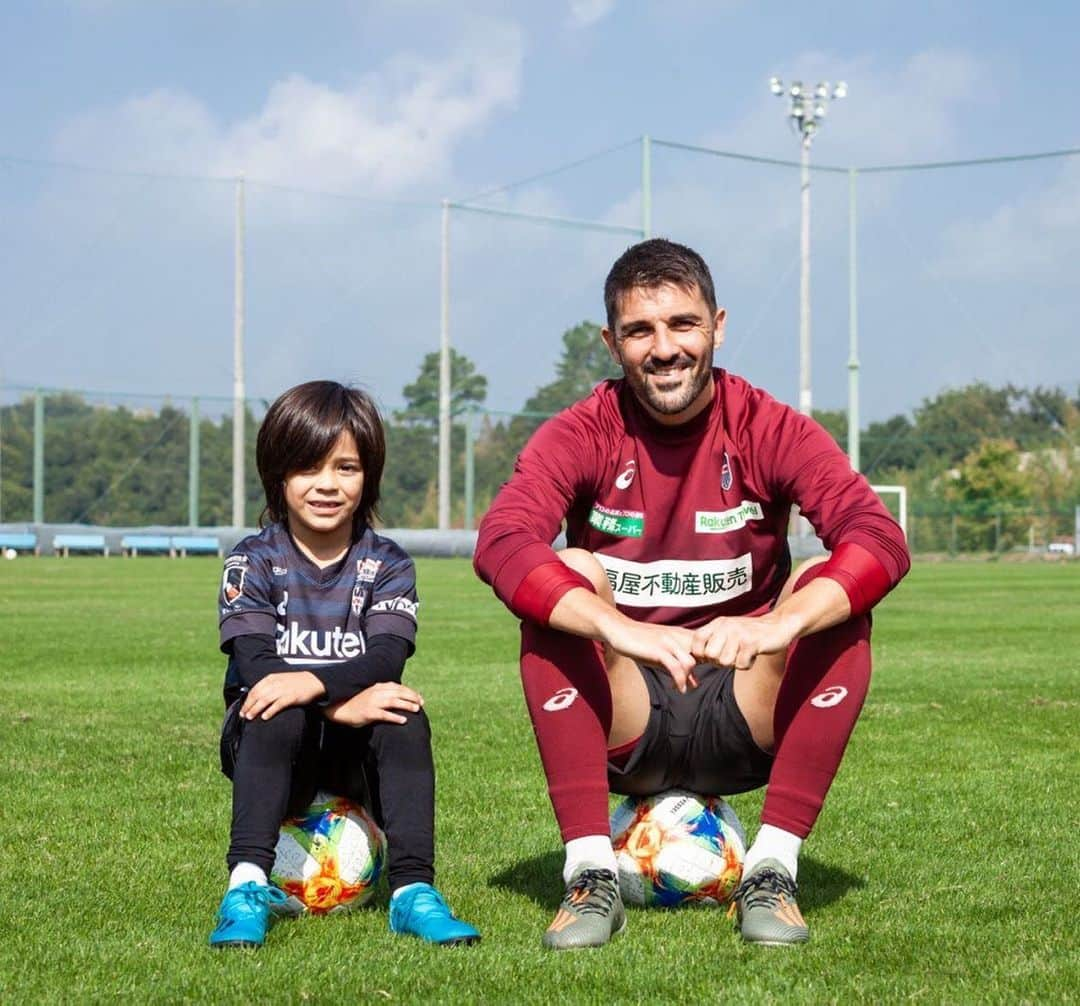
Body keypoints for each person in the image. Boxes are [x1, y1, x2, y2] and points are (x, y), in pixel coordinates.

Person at [474, 238, 910, 950]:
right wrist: (618, 629)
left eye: (683, 324)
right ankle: (590, 875)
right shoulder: (583, 431)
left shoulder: (767, 427)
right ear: (611, 343)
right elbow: (503, 540)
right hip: (628, 713)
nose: (665, 348)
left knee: (828, 589)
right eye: (641, 331)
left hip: (742, 707)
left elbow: (878, 537)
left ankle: (771, 871)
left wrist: (779, 625)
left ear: (718, 326)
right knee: (571, 577)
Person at [208, 380, 479, 950]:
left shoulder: (388, 564)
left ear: (369, 476)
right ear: (279, 476)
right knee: (275, 708)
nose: (327, 485)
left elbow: (387, 656)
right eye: (308, 468)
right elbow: (256, 662)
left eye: (346, 468)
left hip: (359, 749)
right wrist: (332, 702)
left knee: (404, 714)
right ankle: (246, 887)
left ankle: (413, 892)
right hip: (274, 746)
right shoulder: (252, 560)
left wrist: (316, 686)